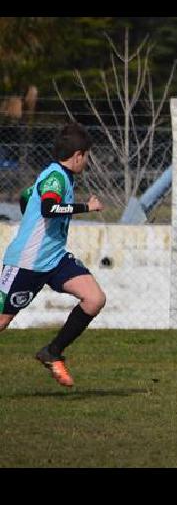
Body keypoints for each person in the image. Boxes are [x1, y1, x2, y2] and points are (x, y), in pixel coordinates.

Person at [0, 122, 105, 388]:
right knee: (2, 320)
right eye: (87, 156)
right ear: (78, 155)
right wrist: (87, 207)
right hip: (26, 262)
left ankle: (52, 352)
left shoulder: (55, 176)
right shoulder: (56, 177)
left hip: (54, 258)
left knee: (94, 299)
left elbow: (27, 198)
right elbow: (48, 208)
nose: (87, 161)